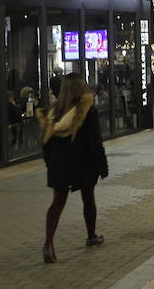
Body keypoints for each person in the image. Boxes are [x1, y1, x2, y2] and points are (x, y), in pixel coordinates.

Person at [36, 72, 108, 263]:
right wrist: (102, 166)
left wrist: (50, 164)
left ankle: (48, 243)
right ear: (80, 88)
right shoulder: (86, 110)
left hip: (59, 164)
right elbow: (95, 142)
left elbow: (45, 144)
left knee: (57, 203)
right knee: (88, 198)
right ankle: (91, 235)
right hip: (83, 163)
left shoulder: (53, 112)